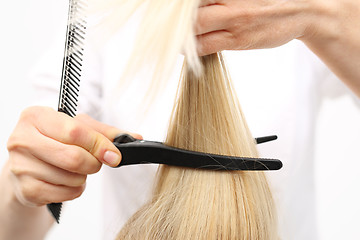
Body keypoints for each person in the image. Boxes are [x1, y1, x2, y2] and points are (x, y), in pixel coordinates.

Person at [0, 0, 359, 239]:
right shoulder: (101, 14)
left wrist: (326, 19)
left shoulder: (296, 10)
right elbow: (15, 226)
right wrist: (23, 189)